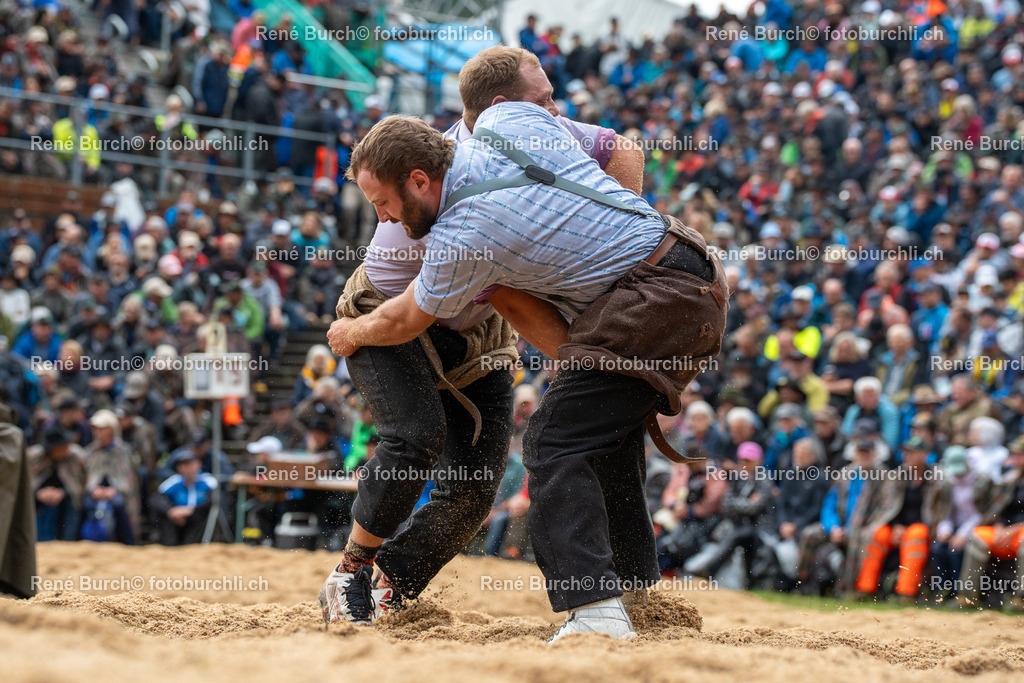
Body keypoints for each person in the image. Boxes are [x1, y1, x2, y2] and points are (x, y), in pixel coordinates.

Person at [326, 100, 727, 640]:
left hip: (577, 309)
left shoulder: (478, 202)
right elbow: (406, 319)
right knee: (433, 437)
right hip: (382, 313)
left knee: (514, 467)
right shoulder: (502, 126)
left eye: (382, 203)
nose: (381, 218)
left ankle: (593, 607)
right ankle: (351, 574)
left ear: (420, 180)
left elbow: (621, 152)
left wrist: (611, 233)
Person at [852, 437, 951, 600]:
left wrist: (906, 529)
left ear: (924, 455)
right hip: (896, 526)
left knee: (916, 535)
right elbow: (887, 508)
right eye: (906, 452)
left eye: (912, 452)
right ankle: (865, 588)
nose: (907, 456)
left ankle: (906, 592)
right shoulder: (897, 477)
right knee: (878, 534)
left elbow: (936, 514)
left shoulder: (935, 480)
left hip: (921, 527)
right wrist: (896, 526)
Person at [958, 436, 1024, 611]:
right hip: (1008, 533)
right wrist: (1000, 527)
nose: (1014, 458)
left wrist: (1013, 529)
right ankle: (968, 596)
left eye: (1019, 454)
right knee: (978, 536)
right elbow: (1001, 510)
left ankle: (1020, 599)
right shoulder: (1010, 480)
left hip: (1020, 533)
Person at [150, 448, 218, 545]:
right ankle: (169, 546)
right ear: (178, 468)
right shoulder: (174, 481)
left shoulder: (208, 481)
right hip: (176, 519)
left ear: (198, 465)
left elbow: (213, 500)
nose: (187, 468)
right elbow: (156, 498)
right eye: (183, 465)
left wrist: (191, 510)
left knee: (209, 513)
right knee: (163, 513)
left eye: (190, 464)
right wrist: (171, 511)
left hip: (198, 518)